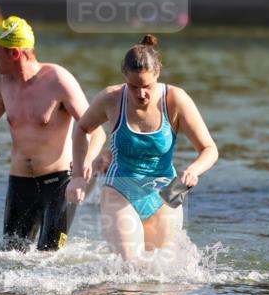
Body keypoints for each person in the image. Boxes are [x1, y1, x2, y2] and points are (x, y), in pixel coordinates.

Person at [67, 35, 218, 262]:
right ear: (124, 77)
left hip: (167, 192)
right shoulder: (111, 98)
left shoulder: (176, 99)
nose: (141, 94)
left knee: (160, 276)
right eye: (133, 86)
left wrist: (194, 170)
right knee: (130, 268)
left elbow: (209, 149)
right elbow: (81, 130)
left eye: (146, 86)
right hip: (120, 189)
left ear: (157, 73)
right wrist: (78, 176)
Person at [0, 16, 105, 251]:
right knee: (8, 258)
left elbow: (97, 132)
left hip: (58, 184)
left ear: (15, 53)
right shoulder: (2, 81)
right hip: (20, 184)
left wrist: (86, 163)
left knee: (49, 258)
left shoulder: (58, 80)